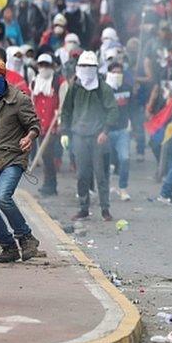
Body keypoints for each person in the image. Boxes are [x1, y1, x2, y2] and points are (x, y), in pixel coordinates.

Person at [0, 58, 42, 263]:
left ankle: (26, 237)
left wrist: (29, 137)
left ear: (3, 76)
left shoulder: (18, 99)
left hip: (12, 158)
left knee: (2, 197)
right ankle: (8, 247)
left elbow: (34, 125)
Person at [61, 51, 119, 221]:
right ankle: (83, 208)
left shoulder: (103, 88)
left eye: (90, 66)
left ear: (96, 68)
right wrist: (65, 132)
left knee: (101, 175)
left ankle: (105, 209)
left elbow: (113, 111)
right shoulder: (74, 88)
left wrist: (105, 131)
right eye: (84, 66)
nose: (87, 69)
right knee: (81, 175)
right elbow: (66, 111)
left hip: (98, 137)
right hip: (79, 135)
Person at [31, 54, 65, 196]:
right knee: (45, 156)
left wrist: (59, 123)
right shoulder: (34, 82)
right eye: (41, 65)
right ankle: (49, 184)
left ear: (52, 66)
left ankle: (50, 184)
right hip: (40, 124)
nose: (44, 68)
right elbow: (33, 103)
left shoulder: (59, 82)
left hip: (53, 125)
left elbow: (63, 104)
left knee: (48, 154)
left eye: (47, 65)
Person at [104, 62, 133, 201]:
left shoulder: (127, 88)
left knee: (125, 159)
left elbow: (133, 106)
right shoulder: (103, 89)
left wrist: (132, 123)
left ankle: (123, 188)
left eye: (119, 72)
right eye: (114, 72)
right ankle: (105, 187)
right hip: (107, 131)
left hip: (123, 130)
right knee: (105, 162)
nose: (117, 75)